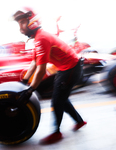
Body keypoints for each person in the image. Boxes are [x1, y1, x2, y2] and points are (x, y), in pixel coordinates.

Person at [13, 7, 87, 144]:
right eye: (19, 23)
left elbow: (41, 70)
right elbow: (34, 63)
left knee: (57, 100)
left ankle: (56, 132)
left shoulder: (41, 38)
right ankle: (79, 121)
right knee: (61, 97)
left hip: (71, 69)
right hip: (67, 68)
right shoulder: (38, 37)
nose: (20, 27)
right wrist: (23, 82)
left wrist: (30, 90)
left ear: (32, 22)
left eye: (22, 22)